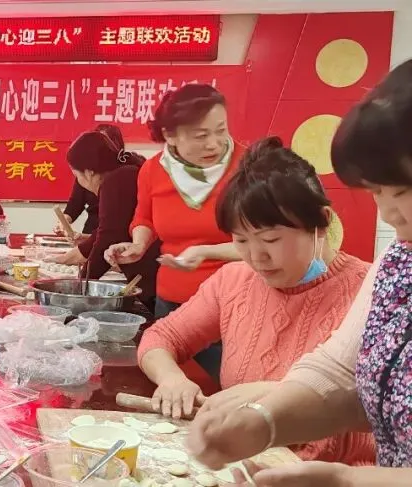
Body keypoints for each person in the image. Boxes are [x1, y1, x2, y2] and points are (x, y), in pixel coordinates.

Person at [187, 59, 412, 487]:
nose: (388, 213)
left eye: (401, 191)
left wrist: (350, 481)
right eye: (376, 192)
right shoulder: (399, 262)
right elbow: (341, 371)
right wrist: (263, 422)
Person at [137, 137, 373, 465]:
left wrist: (275, 397)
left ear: (322, 222)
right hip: (246, 467)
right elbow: (161, 337)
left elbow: (380, 411)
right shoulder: (234, 281)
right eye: (241, 240)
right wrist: (172, 379)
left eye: (271, 239)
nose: (256, 257)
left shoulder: (372, 291)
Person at [105, 84, 244, 378]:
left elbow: (262, 245)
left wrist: (206, 251)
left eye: (221, 130)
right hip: (172, 304)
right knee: (173, 387)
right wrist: (138, 244)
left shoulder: (247, 167)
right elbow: (145, 218)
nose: (214, 144)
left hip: (234, 305)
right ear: (170, 135)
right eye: (200, 136)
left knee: (229, 387)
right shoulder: (154, 170)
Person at [49, 130, 157, 306]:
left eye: (77, 176)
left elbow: (109, 236)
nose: (79, 182)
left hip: (156, 278)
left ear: (89, 173)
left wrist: (80, 287)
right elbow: (109, 230)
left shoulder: (117, 180)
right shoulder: (125, 173)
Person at [59, 124, 129, 237]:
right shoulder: (85, 172)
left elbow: (113, 230)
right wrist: (65, 220)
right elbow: (75, 203)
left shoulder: (123, 179)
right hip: (92, 232)